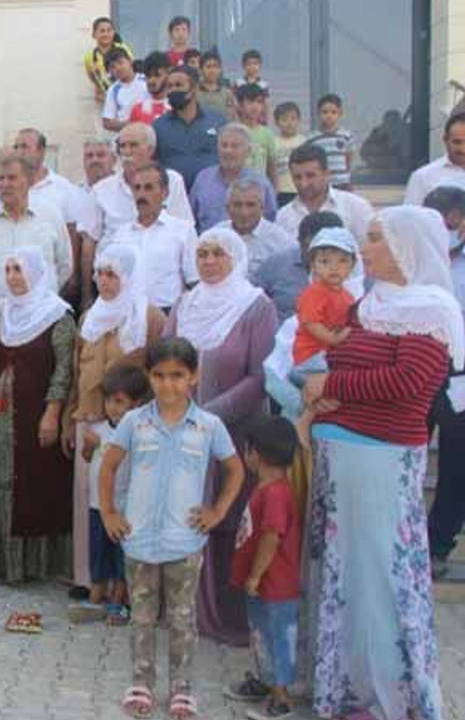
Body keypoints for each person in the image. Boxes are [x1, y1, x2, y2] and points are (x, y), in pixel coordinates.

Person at [299, 206, 453, 720]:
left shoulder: (431, 308)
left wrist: (333, 388)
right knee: (350, 579)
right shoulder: (369, 304)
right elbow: (344, 360)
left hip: (381, 458)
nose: (364, 250)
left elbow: (410, 382)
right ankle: (352, 688)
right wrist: (327, 394)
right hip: (343, 451)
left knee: (380, 578)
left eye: (375, 240)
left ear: (407, 247)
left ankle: (390, 696)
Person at [99, 338, 244, 720]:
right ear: (149, 377)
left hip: (185, 542)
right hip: (140, 541)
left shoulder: (208, 425)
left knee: (182, 617)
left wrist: (217, 511)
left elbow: (235, 470)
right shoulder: (134, 422)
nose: (168, 385)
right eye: (160, 376)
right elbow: (109, 466)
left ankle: (182, 687)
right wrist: (110, 514)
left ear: (194, 377)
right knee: (142, 616)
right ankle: (141, 682)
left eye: (178, 376)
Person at [163, 227, 277, 645]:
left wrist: (207, 416)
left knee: (228, 519)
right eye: (202, 253)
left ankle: (229, 618)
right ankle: (184, 609)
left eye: (218, 254)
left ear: (235, 258)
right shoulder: (186, 304)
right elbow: (164, 359)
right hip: (184, 433)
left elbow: (260, 376)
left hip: (234, 435)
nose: (208, 261)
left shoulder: (255, 306)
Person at [64, 245, 166, 594]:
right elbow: (78, 373)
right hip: (89, 418)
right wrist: (68, 418)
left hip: (130, 426)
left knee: (123, 501)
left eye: (113, 275)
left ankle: (124, 586)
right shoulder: (90, 316)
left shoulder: (148, 316)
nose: (105, 282)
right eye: (101, 274)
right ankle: (89, 579)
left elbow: (158, 374)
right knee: (88, 500)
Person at [0, 246, 76, 584]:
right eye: (9, 270)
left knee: (34, 483)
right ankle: (1, 561)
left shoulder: (58, 316)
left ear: (36, 273)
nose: (14, 277)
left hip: (36, 414)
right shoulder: (3, 313)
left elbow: (64, 370)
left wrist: (53, 411)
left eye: (20, 270)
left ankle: (32, 564)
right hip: (0, 418)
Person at [224, 415, 302, 720]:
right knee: (261, 635)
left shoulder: (275, 494)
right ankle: (266, 681)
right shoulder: (267, 488)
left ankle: (281, 699)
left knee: (276, 637)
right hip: (262, 586)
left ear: (256, 453)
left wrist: (256, 574)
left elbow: (272, 536)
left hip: (274, 586)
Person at [68, 364, 150, 625]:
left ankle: (119, 601)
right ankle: (96, 597)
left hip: (124, 509)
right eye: (108, 400)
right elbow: (88, 458)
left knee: (120, 556)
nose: (112, 407)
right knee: (98, 551)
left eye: (119, 401)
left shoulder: (140, 434)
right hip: (97, 506)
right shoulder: (100, 429)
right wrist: (88, 449)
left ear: (136, 403)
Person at [425, 186, 465, 580]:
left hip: (460, 374)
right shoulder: (416, 263)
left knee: (456, 463)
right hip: (418, 366)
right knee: (407, 452)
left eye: (448, 222)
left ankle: (437, 543)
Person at [0, 151, 74, 306]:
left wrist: (42, 292)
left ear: (29, 181)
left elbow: (65, 265)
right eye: (1, 178)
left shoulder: (50, 216)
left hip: (42, 315)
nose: (5, 184)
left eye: (12, 178)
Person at [99, 162, 196, 312]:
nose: (141, 194)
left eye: (148, 188)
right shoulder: (121, 234)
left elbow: (194, 281)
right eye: (137, 188)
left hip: (167, 315)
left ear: (165, 193)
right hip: (127, 315)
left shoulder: (183, 231)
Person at [91, 123, 194, 241]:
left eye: (133, 145)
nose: (127, 152)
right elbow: (90, 240)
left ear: (150, 149)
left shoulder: (172, 181)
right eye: (122, 146)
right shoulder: (101, 190)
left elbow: (186, 229)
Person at [253, 211, 345, 322]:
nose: (315, 256)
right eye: (309, 247)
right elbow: (250, 303)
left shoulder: (355, 273)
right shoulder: (276, 263)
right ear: (299, 241)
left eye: (323, 250)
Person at [275, 144, 373, 243]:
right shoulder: (283, 217)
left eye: (310, 175)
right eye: (297, 177)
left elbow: (369, 251)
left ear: (326, 174)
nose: (303, 184)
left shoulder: (356, 207)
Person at [292, 228, 358, 374]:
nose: (334, 268)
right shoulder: (313, 293)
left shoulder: (348, 296)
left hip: (332, 354)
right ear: (314, 265)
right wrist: (334, 339)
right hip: (311, 356)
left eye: (342, 261)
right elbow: (311, 323)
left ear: (352, 265)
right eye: (324, 262)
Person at [189, 124, 277, 233]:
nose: (228, 151)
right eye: (224, 145)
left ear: (248, 151)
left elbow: (271, 221)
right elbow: (190, 219)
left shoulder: (261, 183)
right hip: (209, 246)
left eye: (234, 146)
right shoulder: (203, 178)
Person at [155, 65, 226, 190]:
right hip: (173, 195)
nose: (173, 90)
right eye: (169, 86)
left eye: (178, 85)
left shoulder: (217, 121)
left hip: (209, 195)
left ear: (194, 89)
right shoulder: (158, 126)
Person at [216, 178, 294, 277]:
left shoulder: (282, 242)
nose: (244, 212)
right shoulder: (215, 236)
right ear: (227, 208)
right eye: (237, 205)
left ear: (262, 208)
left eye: (250, 205)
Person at [405, 112, 465, 206]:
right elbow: (412, 218)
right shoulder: (422, 177)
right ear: (445, 140)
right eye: (457, 142)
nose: (463, 149)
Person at [306, 94, 354, 190]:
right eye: (325, 112)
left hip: (342, 182)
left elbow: (348, 158)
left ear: (340, 113)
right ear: (318, 114)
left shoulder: (346, 135)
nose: (329, 115)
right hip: (323, 183)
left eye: (333, 112)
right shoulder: (312, 138)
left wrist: (346, 175)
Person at [83, 16, 132, 104]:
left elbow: (133, 69)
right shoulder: (89, 57)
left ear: (113, 32)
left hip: (127, 96)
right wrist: (98, 88)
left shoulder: (122, 49)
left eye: (109, 30)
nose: (106, 34)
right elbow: (92, 76)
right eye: (102, 31)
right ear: (94, 34)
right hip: (108, 101)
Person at [234, 85, 277, 183]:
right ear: (240, 105)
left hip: (260, 189)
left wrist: (274, 193)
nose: (255, 106)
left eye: (259, 102)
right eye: (250, 102)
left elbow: (272, 169)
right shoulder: (232, 132)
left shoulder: (267, 134)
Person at [102, 47, 148, 133]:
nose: (118, 68)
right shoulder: (113, 90)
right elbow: (107, 122)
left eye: (120, 63)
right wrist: (130, 125)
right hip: (126, 136)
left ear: (130, 61)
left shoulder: (146, 80)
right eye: (113, 67)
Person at [271, 102, 306, 207]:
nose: (289, 123)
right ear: (277, 122)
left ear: (299, 120)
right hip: (280, 190)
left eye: (293, 119)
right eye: (284, 119)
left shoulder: (304, 141)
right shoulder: (273, 142)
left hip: (299, 188)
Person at [128, 52, 172, 126]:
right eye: (148, 76)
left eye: (157, 75)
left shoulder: (177, 108)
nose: (151, 81)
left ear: (168, 74)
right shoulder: (137, 109)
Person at [195, 49, 235, 118]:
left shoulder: (228, 94)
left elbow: (230, 118)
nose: (212, 70)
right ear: (200, 70)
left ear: (220, 69)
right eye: (208, 67)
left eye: (215, 66)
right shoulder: (194, 93)